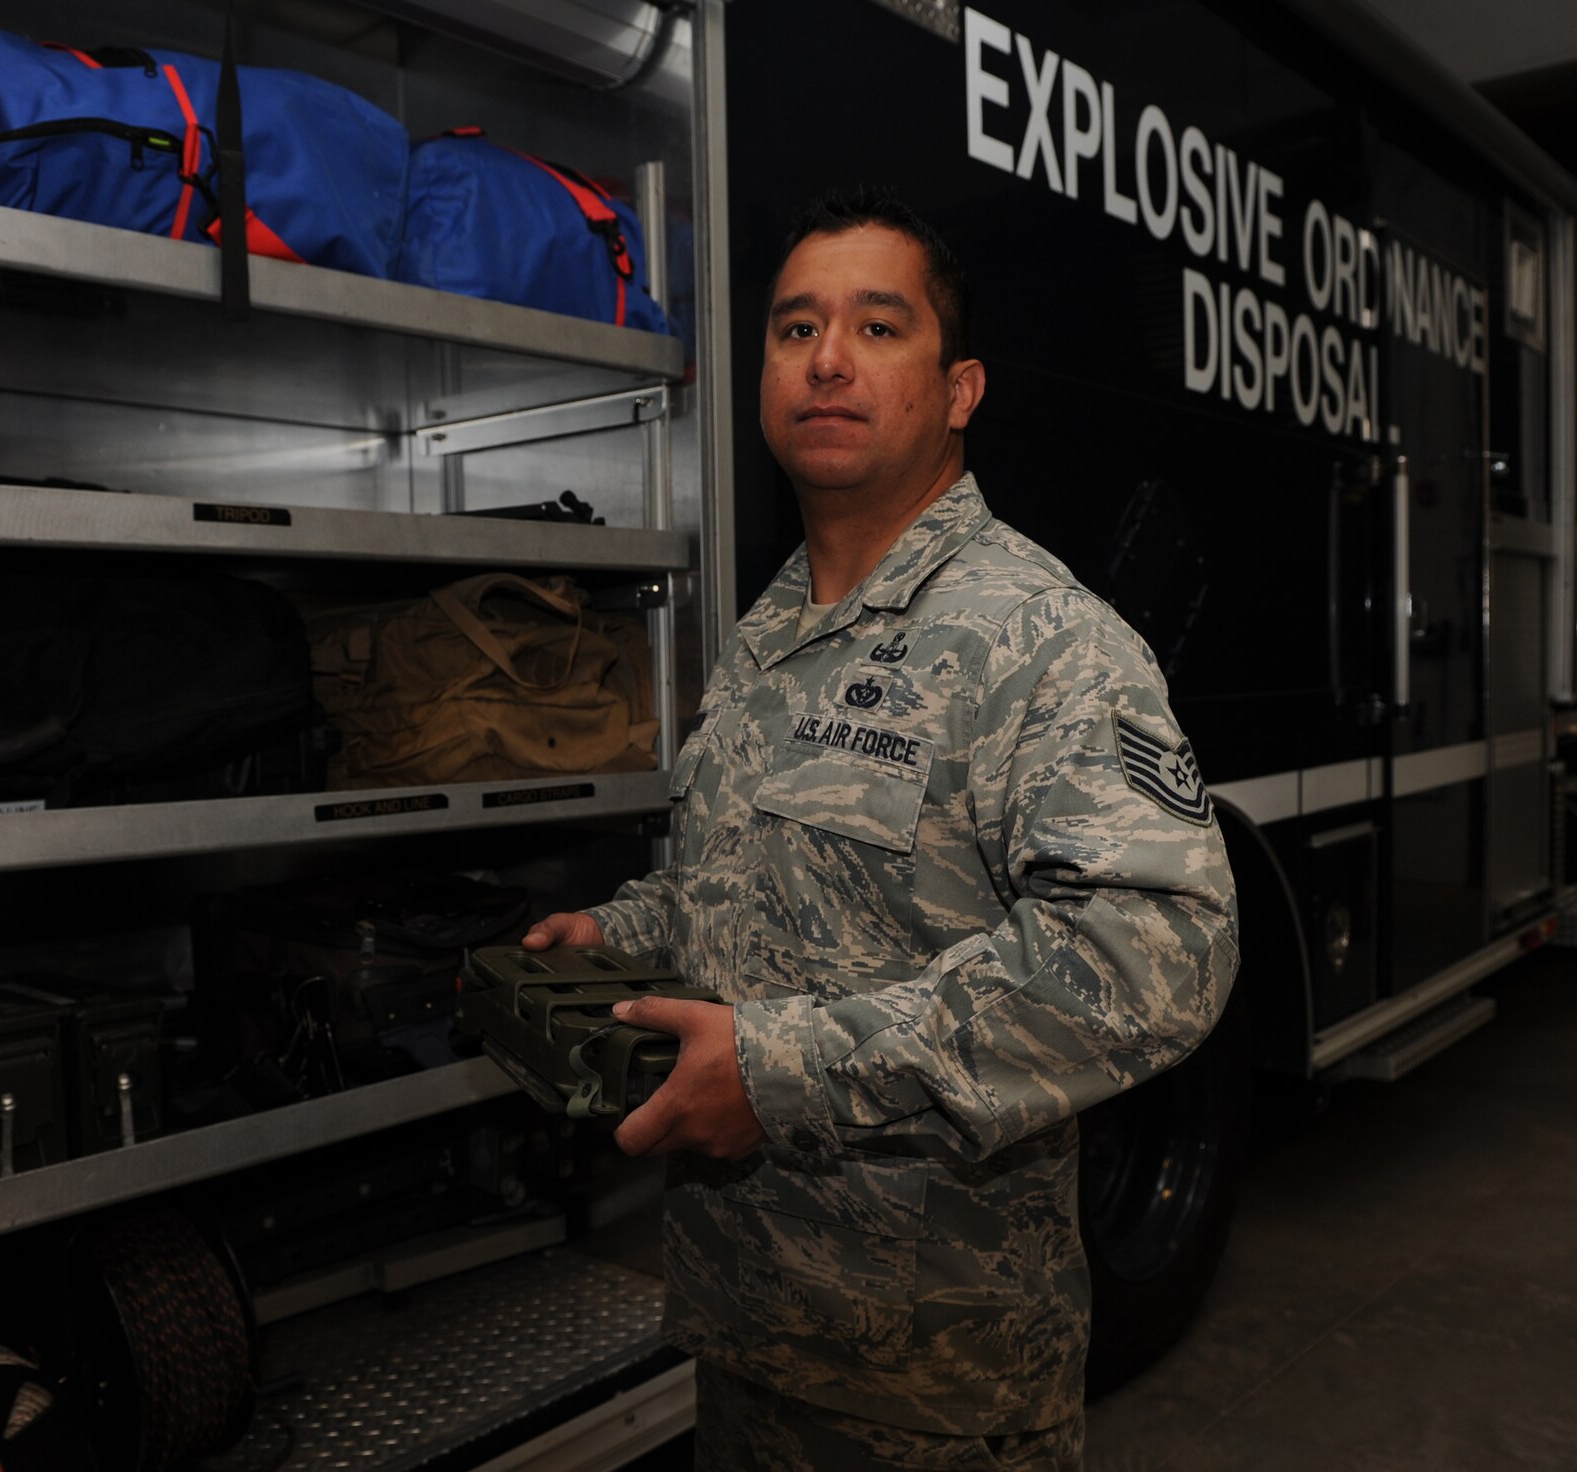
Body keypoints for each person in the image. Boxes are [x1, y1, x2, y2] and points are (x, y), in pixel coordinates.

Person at [522, 186, 1239, 1471]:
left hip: (932, 1387)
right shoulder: (771, 627)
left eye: (876, 326)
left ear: (959, 388)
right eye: (795, 328)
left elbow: (1156, 949)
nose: (827, 359)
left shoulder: (1039, 636)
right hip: (748, 1331)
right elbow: (743, 883)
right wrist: (620, 932)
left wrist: (780, 1071)